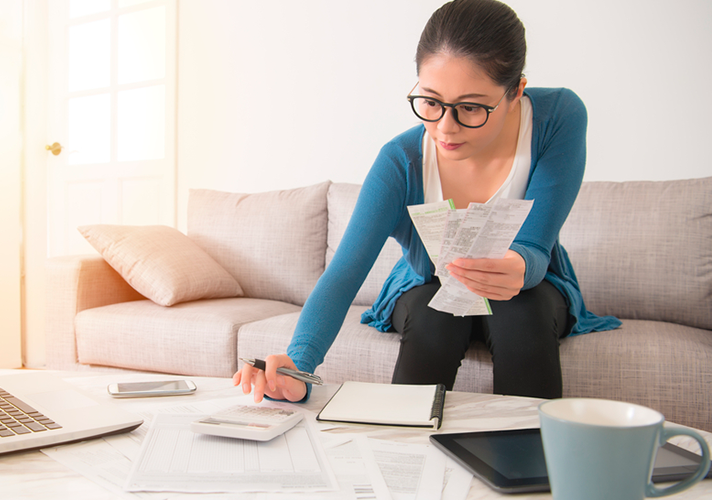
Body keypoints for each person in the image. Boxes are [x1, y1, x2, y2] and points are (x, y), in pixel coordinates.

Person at [234, 0, 620, 404]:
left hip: (528, 287)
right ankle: (404, 456)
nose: (444, 128)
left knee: (521, 313)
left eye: (471, 107)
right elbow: (345, 272)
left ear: (515, 91)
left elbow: (537, 246)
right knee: (435, 317)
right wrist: (299, 365)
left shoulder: (558, 118)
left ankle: (525, 459)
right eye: (430, 101)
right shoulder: (401, 161)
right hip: (427, 284)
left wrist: (519, 266)